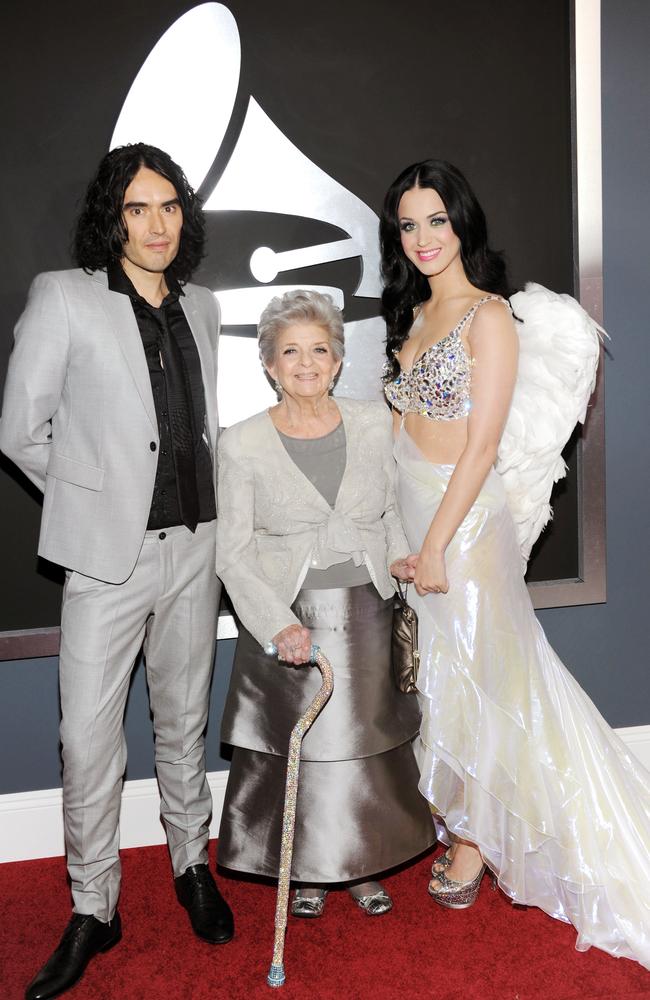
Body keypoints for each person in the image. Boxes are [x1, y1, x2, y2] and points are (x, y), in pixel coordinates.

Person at [381, 158, 650, 968]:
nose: (425, 238)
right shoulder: (418, 313)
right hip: (416, 516)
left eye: (437, 219)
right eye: (408, 225)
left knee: (488, 678)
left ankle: (479, 843)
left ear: (463, 222)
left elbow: (485, 444)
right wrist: (399, 526)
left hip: (463, 527)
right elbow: (402, 434)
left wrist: (434, 543)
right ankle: (471, 821)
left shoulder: (488, 318)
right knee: (444, 678)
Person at [0, 143, 234, 1000]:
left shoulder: (203, 307)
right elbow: (20, 429)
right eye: (138, 208)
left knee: (182, 720)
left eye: (169, 205)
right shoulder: (65, 297)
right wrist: (95, 501)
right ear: (113, 216)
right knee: (87, 738)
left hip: (195, 549)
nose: (157, 223)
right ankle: (95, 905)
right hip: (107, 560)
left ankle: (190, 865)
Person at [215, 289, 435, 917]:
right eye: (291, 352)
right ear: (268, 363)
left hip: (368, 608)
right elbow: (232, 553)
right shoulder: (242, 444)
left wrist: (398, 558)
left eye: (319, 350)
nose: (306, 363)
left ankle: (363, 863)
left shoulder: (373, 423)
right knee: (302, 754)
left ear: (339, 360)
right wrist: (277, 625)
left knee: (365, 746)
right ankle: (307, 869)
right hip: (291, 617)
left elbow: (392, 511)